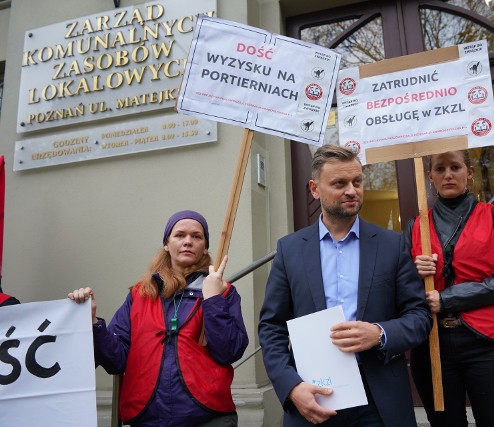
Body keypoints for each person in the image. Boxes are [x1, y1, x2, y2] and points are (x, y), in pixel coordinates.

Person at [258, 144, 431, 427]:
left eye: (357, 182)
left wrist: (379, 333)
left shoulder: (392, 245)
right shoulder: (289, 251)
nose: (352, 190)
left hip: (379, 401)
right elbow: (271, 327)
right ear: (315, 189)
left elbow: (420, 317)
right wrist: (291, 387)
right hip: (312, 398)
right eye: (339, 183)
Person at [68, 210, 249, 427]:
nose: (188, 242)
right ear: (166, 244)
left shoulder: (223, 292)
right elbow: (115, 361)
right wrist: (93, 323)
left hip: (208, 417)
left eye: (197, 236)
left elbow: (229, 351)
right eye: (180, 235)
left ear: (205, 247)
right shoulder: (140, 294)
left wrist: (212, 300)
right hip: (148, 418)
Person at [403, 150, 494, 427]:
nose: (448, 174)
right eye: (440, 169)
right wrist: (413, 273)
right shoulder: (415, 226)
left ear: (469, 173)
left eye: (455, 167)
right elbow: (400, 290)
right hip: (433, 346)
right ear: (430, 176)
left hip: (489, 343)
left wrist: (447, 299)